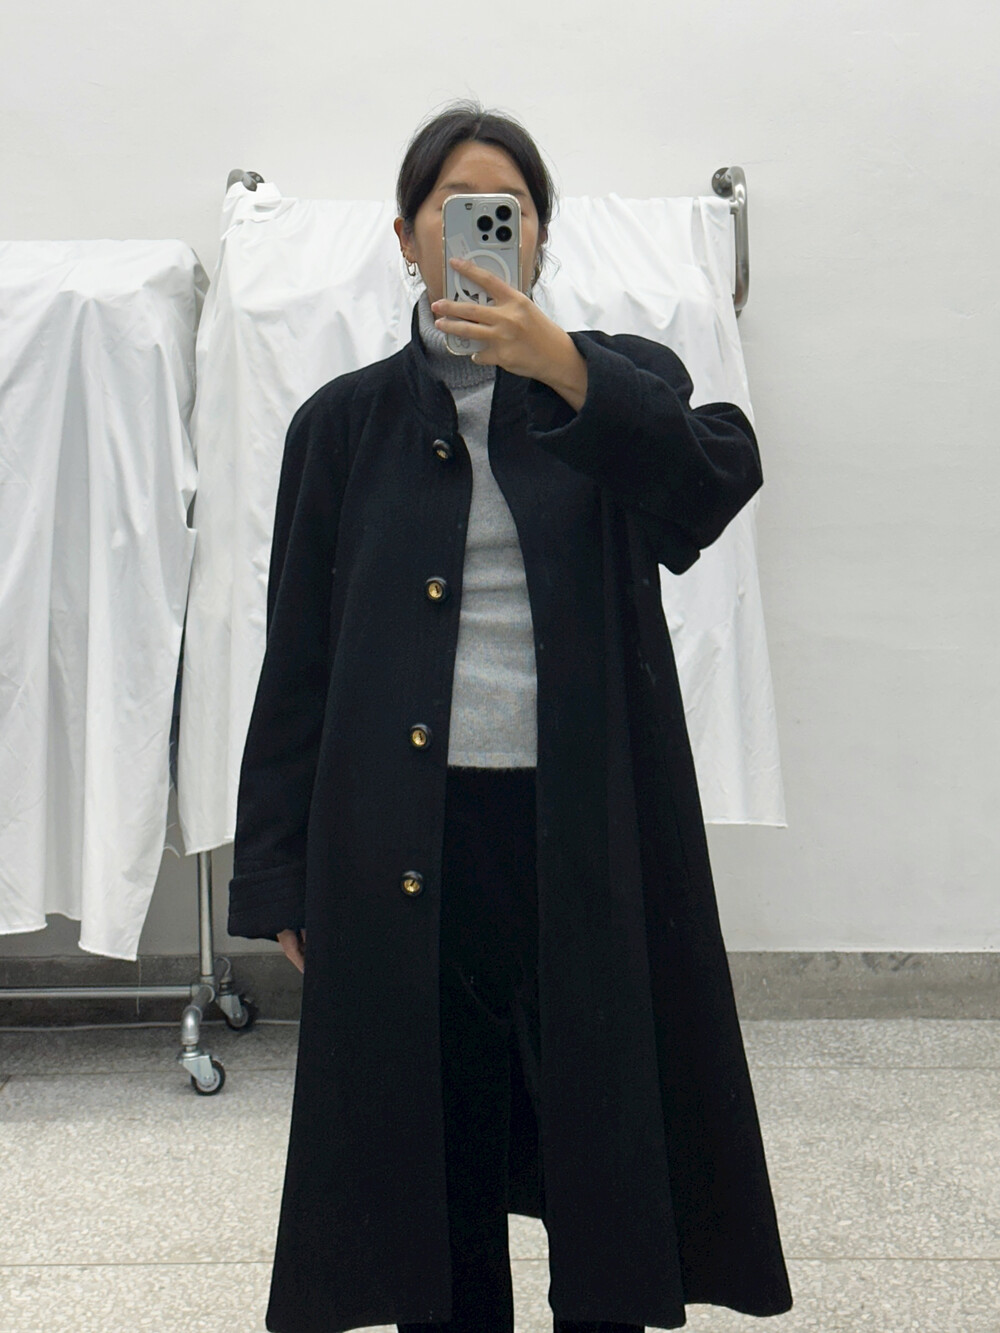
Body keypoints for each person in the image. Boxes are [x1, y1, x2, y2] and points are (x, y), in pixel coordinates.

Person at [228, 99, 793, 1333]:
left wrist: (567, 371)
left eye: (509, 209)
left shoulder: (620, 388)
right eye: (454, 209)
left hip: (583, 838)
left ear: (540, 235)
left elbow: (714, 480)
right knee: (433, 1160)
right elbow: (299, 659)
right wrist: (276, 871)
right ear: (406, 238)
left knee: (605, 1143)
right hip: (405, 848)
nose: (484, 229)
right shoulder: (340, 427)